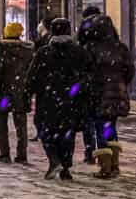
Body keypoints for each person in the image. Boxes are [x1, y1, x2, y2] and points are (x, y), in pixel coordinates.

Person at [25, 17, 93, 181]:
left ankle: (54, 160)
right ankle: (65, 167)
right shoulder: (79, 52)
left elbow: (32, 77)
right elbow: (89, 75)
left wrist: (29, 93)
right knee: (67, 134)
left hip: (48, 100)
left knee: (45, 131)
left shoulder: (44, 53)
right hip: (71, 101)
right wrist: (78, 90)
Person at [88, 15, 132, 179]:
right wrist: (120, 84)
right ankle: (114, 165)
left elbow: (88, 73)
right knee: (111, 127)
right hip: (117, 94)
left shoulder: (91, 48)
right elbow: (129, 71)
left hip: (99, 94)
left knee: (101, 128)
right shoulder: (121, 48)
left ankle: (105, 167)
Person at [0, 23, 33, 164]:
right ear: (19, 34)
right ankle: (22, 155)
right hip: (21, 93)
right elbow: (32, 73)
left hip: (4, 94)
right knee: (21, 125)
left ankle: (4, 154)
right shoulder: (28, 50)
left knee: (1, 123)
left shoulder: (2, 50)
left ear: (6, 33)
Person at [76, 5, 103, 162]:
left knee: (89, 122)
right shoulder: (114, 46)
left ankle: (90, 153)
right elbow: (127, 70)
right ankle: (108, 158)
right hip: (106, 89)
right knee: (105, 124)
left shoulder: (84, 48)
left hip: (88, 89)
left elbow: (78, 71)